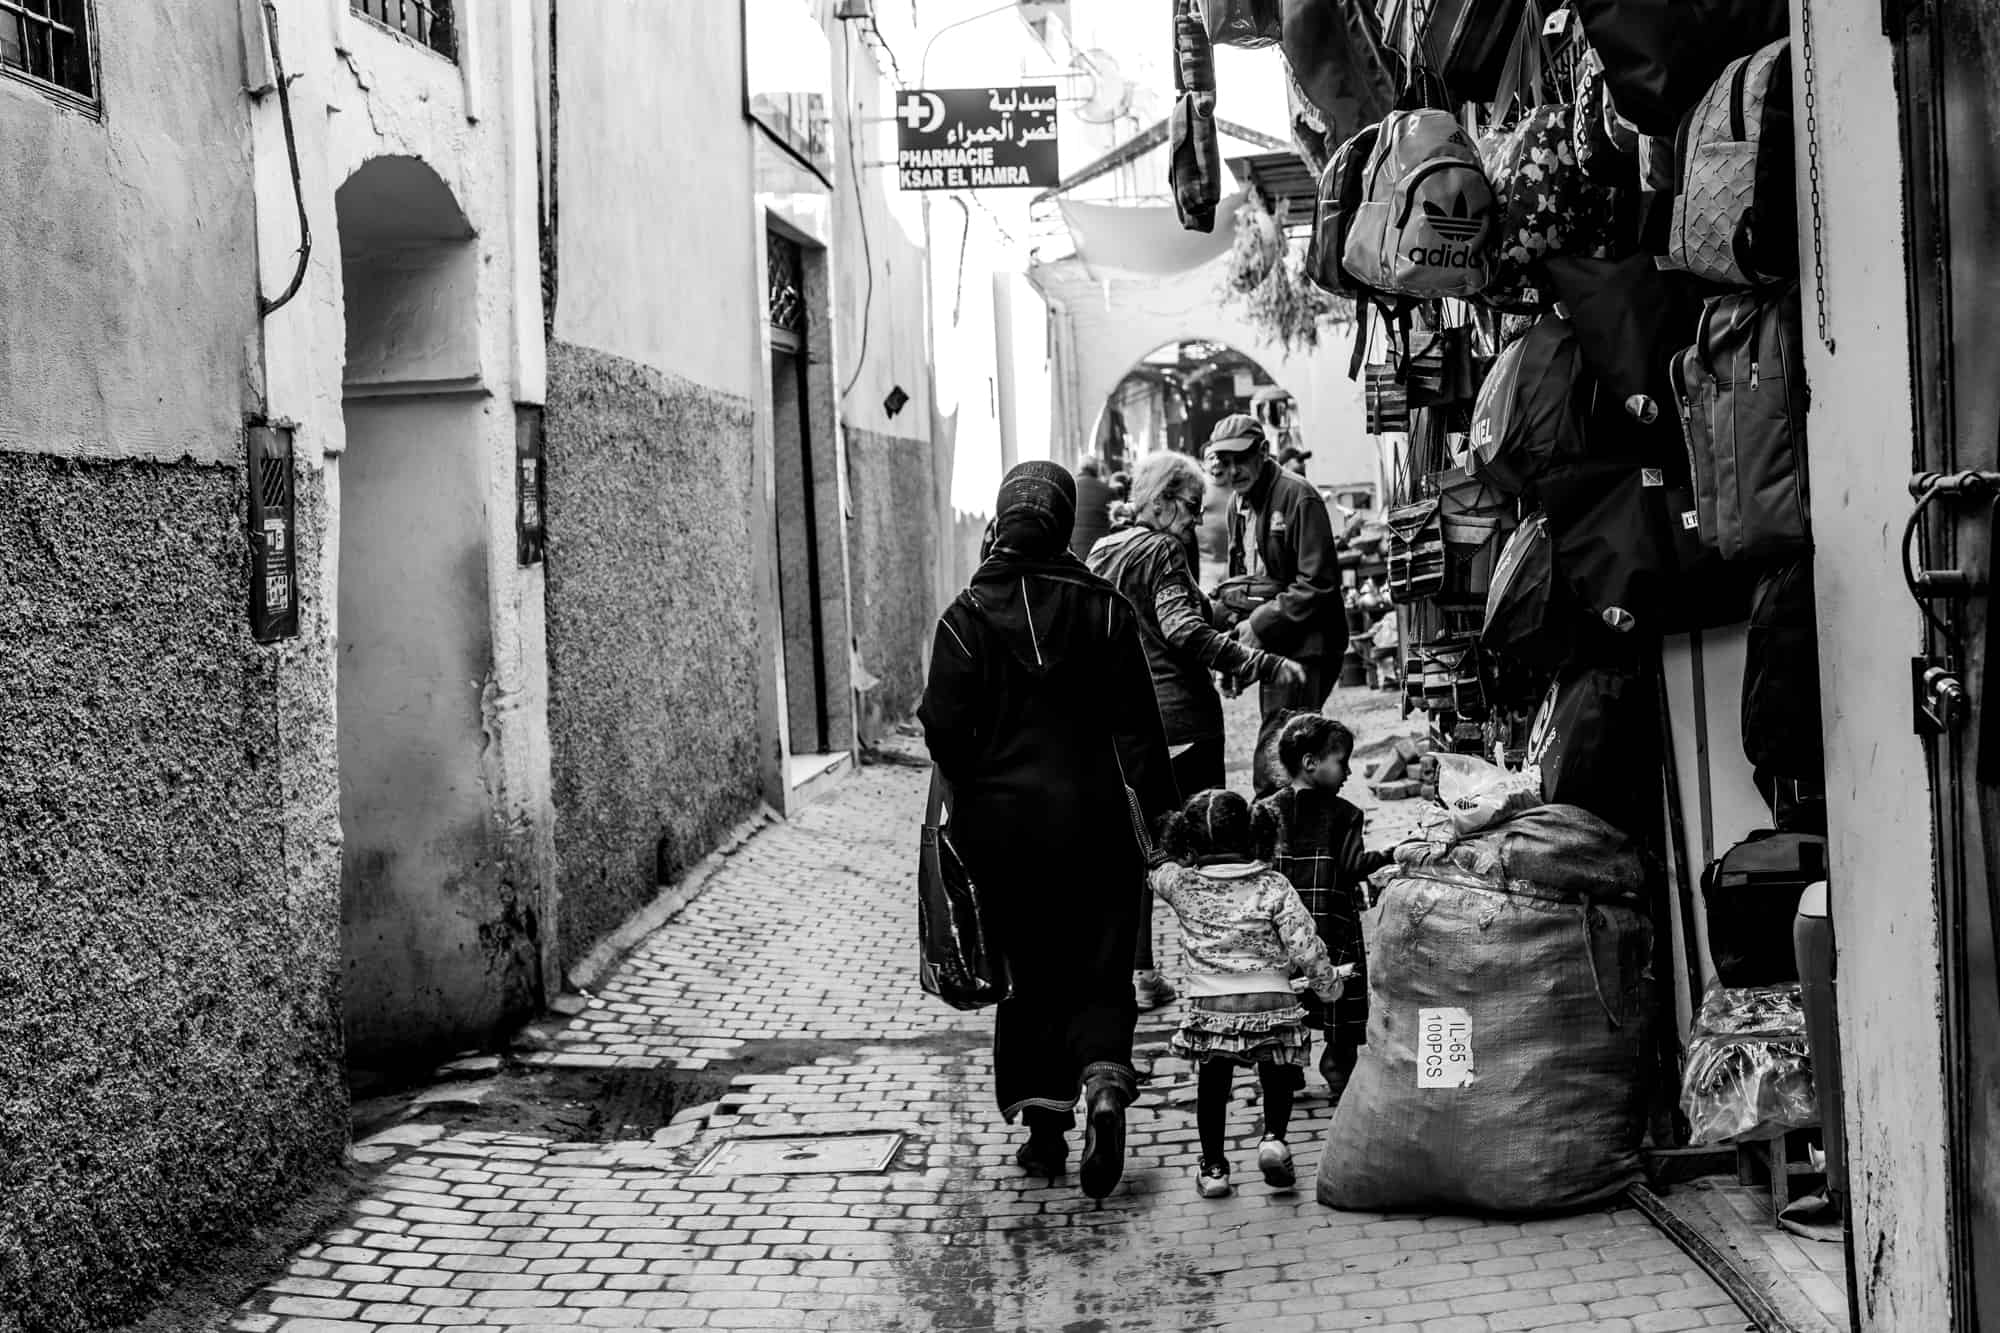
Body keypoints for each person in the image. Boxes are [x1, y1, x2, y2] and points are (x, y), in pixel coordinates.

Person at [920, 461, 1178, 1202]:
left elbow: (942, 725)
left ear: (1002, 518)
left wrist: (976, 777)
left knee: (1028, 972)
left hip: (1003, 831)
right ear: (1065, 523)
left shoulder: (966, 614)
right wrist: (1162, 818)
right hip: (1094, 819)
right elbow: (1138, 725)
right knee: (1099, 963)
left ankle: (1043, 1133)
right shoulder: (1103, 609)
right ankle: (1102, 1082)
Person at [1088, 452, 1308, 1012]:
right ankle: (1228, 972)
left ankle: (1139, 974)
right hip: (1182, 722)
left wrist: (1217, 602)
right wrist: (1259, 663)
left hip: (1123, 727)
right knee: (1211, 849)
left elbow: (1151, 616)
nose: (1194, 521)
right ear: (1160, 501)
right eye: (1189, 508)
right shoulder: (1162, 549)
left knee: (1136, 852)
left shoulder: (1103, 551)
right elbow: (1180, 628)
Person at [1148, 789, 1350, 1199]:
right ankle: (1274, 1139)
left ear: (1187, 841)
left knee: (1213, 1084)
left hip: (1211, 1004)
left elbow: (1156, 872)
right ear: (1256, 832)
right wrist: (1329, 986)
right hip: (1272, 999)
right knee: (1276, 1075)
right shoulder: (1273, 885)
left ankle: (1214, 1168)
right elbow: (1305, 945)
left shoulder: (1181, 884)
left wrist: (1163, 857)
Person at [1204, 413, 1346, 795]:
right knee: (1289, 754)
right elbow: (1245, 582)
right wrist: (1237, 654)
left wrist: (1259, 626)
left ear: (1263, 452)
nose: (1233, 470)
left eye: (1242, 459)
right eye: (1225, 461)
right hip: (1273, 643)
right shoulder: (1238, 504)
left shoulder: (1298, 496)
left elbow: (1318, 584)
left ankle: (1286, 845)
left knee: (1282, 757)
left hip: (1307, 644)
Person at [1256, 714, 1393, 1102]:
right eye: (1341, 761)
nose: (1348, 771)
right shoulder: (1344, 814)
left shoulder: (1265, 812)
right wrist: (1392, 855)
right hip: (1331, 926)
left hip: (1277, 932)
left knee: (1285, 994)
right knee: (1341, 997)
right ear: (1310, 762)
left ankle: (1287, 1068)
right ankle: (1336, 1068)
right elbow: (1353, 866)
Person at [1070, 459, 1114, 561]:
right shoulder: (1107, 491)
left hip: (1073, 556)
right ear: (1097, 471)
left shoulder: (1069, 488)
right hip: (1098, 555)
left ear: (1080, 469)